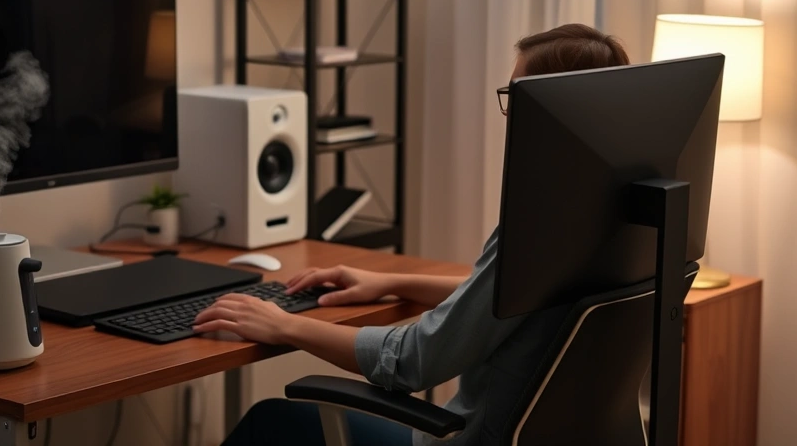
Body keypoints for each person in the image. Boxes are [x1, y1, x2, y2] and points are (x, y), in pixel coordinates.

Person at [193, 23, 632, 446]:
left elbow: (412, 361)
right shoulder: (616, 216)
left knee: (270, 422)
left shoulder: (535, 230)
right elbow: (504, 301)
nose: (508, 112)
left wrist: (285, 325)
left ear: (551, 109)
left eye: (514, 95)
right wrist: (393, 282)